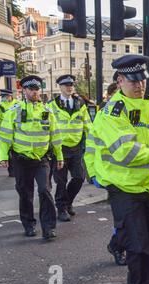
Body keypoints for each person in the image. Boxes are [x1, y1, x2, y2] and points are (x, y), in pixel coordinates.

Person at [84, 54, 149, 284]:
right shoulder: (113, 111)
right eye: (133, 81)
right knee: (139, 245)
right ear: (120, 81)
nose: (140, 85)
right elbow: (125, 151)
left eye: (142, 80)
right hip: (123, 187)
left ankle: (124, 249)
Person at [0, 75, 64, 240]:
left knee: (45, 191)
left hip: (42, 159)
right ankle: (29, 224)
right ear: (24, 90)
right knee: (25, 193)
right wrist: (3, 156)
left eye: (36, 89)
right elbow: (5, 135)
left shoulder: (47, 112)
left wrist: (60, 156)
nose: (34, 92)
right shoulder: (15, 111)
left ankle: (48, 228)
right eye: (31, 89)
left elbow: (55, 135)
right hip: (21, 160)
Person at [47, 75, 92, 222]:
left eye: (71, 85)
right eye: (66, 85)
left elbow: (88, 125)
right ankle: (61, 209)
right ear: (59, 87)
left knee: (79, 177)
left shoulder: (80, 103)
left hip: (76, 147)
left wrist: (93, 142)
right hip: (59, 148)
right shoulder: (51, 105)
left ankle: (68, 202)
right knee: (60, 181)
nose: (69, 87)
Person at [0, 89, 18, 176]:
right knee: (7, 152)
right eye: (2, 97)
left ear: (9, 96)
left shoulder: (17, 104)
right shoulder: (0, 105)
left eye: (4, 96)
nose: (3, 98)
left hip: (16, 132)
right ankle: (11, 171)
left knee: (15, 152)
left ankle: (16, 170)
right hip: (4, 131)